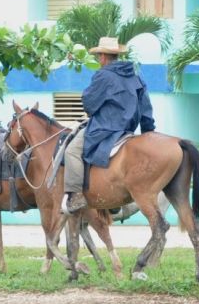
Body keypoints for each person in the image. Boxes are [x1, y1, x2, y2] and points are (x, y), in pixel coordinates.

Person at [61, 37, 155, 215]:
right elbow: (146, 109)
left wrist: (92, 112)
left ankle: (76, 195)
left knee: (71, 151)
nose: (98, 60)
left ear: (103, 57)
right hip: (128, 131)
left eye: (99, 56)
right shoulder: (136, 77)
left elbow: (89, 102)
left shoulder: (103, 75)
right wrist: (148, 133)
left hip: (104, 129)